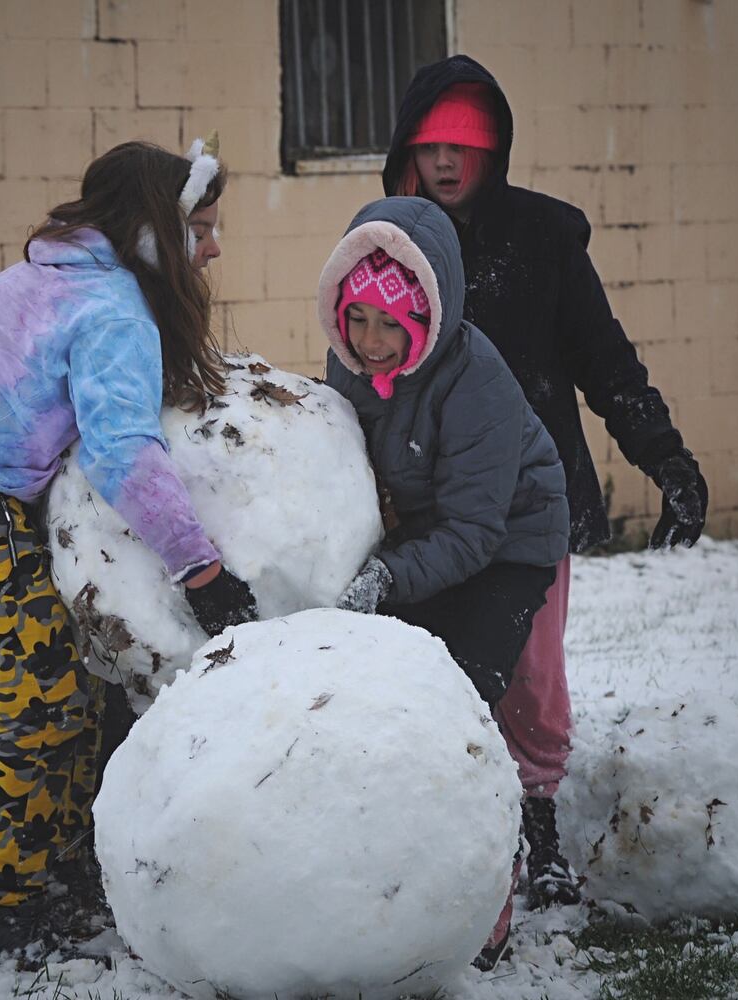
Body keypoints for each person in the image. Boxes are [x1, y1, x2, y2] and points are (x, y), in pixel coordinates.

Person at [0, 136, 258, 954]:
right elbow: (122, 452)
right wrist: (201, 567)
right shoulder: (108, 307)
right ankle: (8, 910)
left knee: (72, 680)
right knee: (42, 689)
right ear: (153, 233)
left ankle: (60, 866)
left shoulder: (70, 278)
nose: (214, 247)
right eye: (201, 229)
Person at [381, 55, 709, 916]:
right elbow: (357, 356)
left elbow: (605, 360)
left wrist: (665, 456)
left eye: (468, 143)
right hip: (422, 510)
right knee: (440, 671)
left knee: (530, 674)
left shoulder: (543, 241)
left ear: (496, 150)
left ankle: (538, 824)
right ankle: (445, 825)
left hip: (534, 506)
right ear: (407, 148)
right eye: (431, 143)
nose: (448, 162)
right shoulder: (389, 242)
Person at [321, 195, 570, 969]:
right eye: (356, 319)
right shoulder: (350, 361)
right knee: (409, 694)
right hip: (434, 539)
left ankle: (502, 870)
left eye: (391, 324)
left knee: (477, 692)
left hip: (513, 539)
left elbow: (474, 533)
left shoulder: (478, 384)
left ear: (428, 317)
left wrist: (388, 575)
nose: (370, 342)